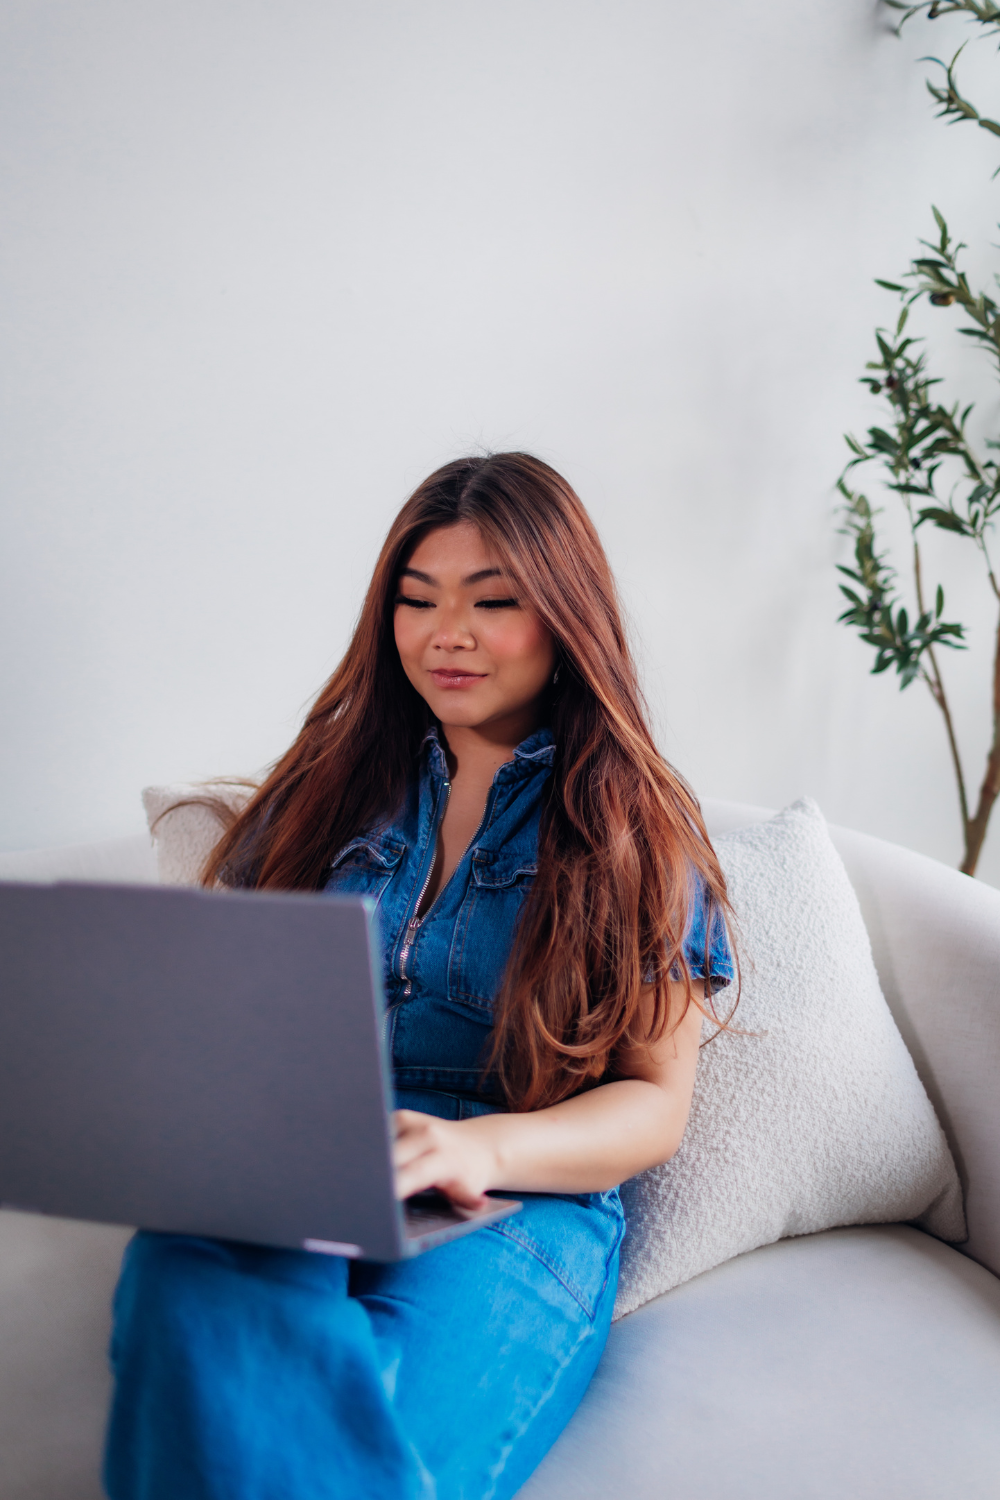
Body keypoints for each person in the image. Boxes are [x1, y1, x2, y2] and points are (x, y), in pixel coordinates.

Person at [103, 452, 734, 1500]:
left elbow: (653, 1107)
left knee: (379, 1453)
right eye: (416, 599)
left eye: (493, 601)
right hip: (300, 1162)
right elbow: (236, 1015)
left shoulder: (636, 830)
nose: (447, 633)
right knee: (186, 1285)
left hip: (516, 1194)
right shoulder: (323, 789)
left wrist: (468, 1143)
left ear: (567, 617)